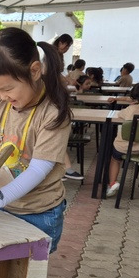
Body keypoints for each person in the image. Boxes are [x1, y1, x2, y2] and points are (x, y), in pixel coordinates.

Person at [0, 27, 71, 253]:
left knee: (28, 274)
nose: (0, 96)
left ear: (34, 71)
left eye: (7, 89)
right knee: (2, 263)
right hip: (3, 203)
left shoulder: (53, 113)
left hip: (39, 212)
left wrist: (0, 197)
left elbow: (38, 170)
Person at [48, 33, 82, 180]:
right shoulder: (52, 53)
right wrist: (67, 80)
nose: (67, 48)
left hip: (53, 94)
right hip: (50, 94)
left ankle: (62, 168)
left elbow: (56, 74)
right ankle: (64, 168)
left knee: (55, 132)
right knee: (56, 132)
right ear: (61, 42)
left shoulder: (57, 55)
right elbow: (51, 73)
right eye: (66, 45)